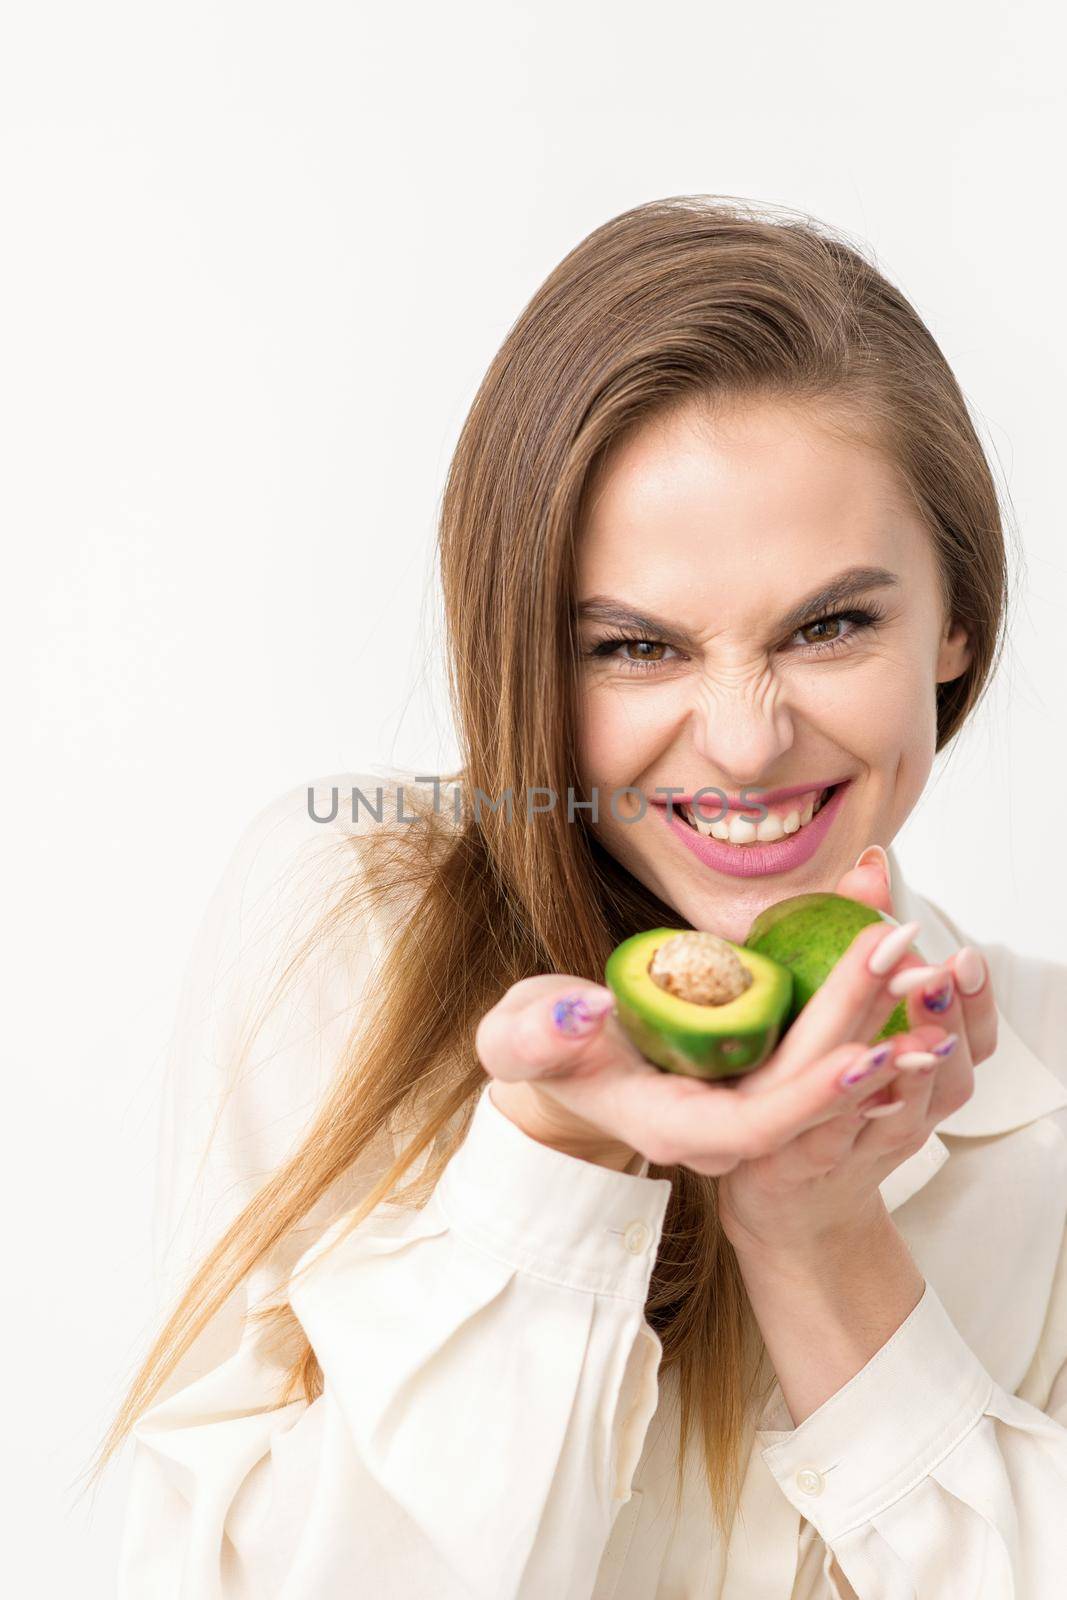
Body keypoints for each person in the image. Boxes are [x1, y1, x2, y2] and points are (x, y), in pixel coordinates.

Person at [98, 196, 1067, 1598]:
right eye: (633, 648)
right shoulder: (354, 932)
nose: (742, 741)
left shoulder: (1037, 1081)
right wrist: (555, 1156)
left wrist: (820, 1244)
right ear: (525, 660)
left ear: (956, 620)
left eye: (831, 624)